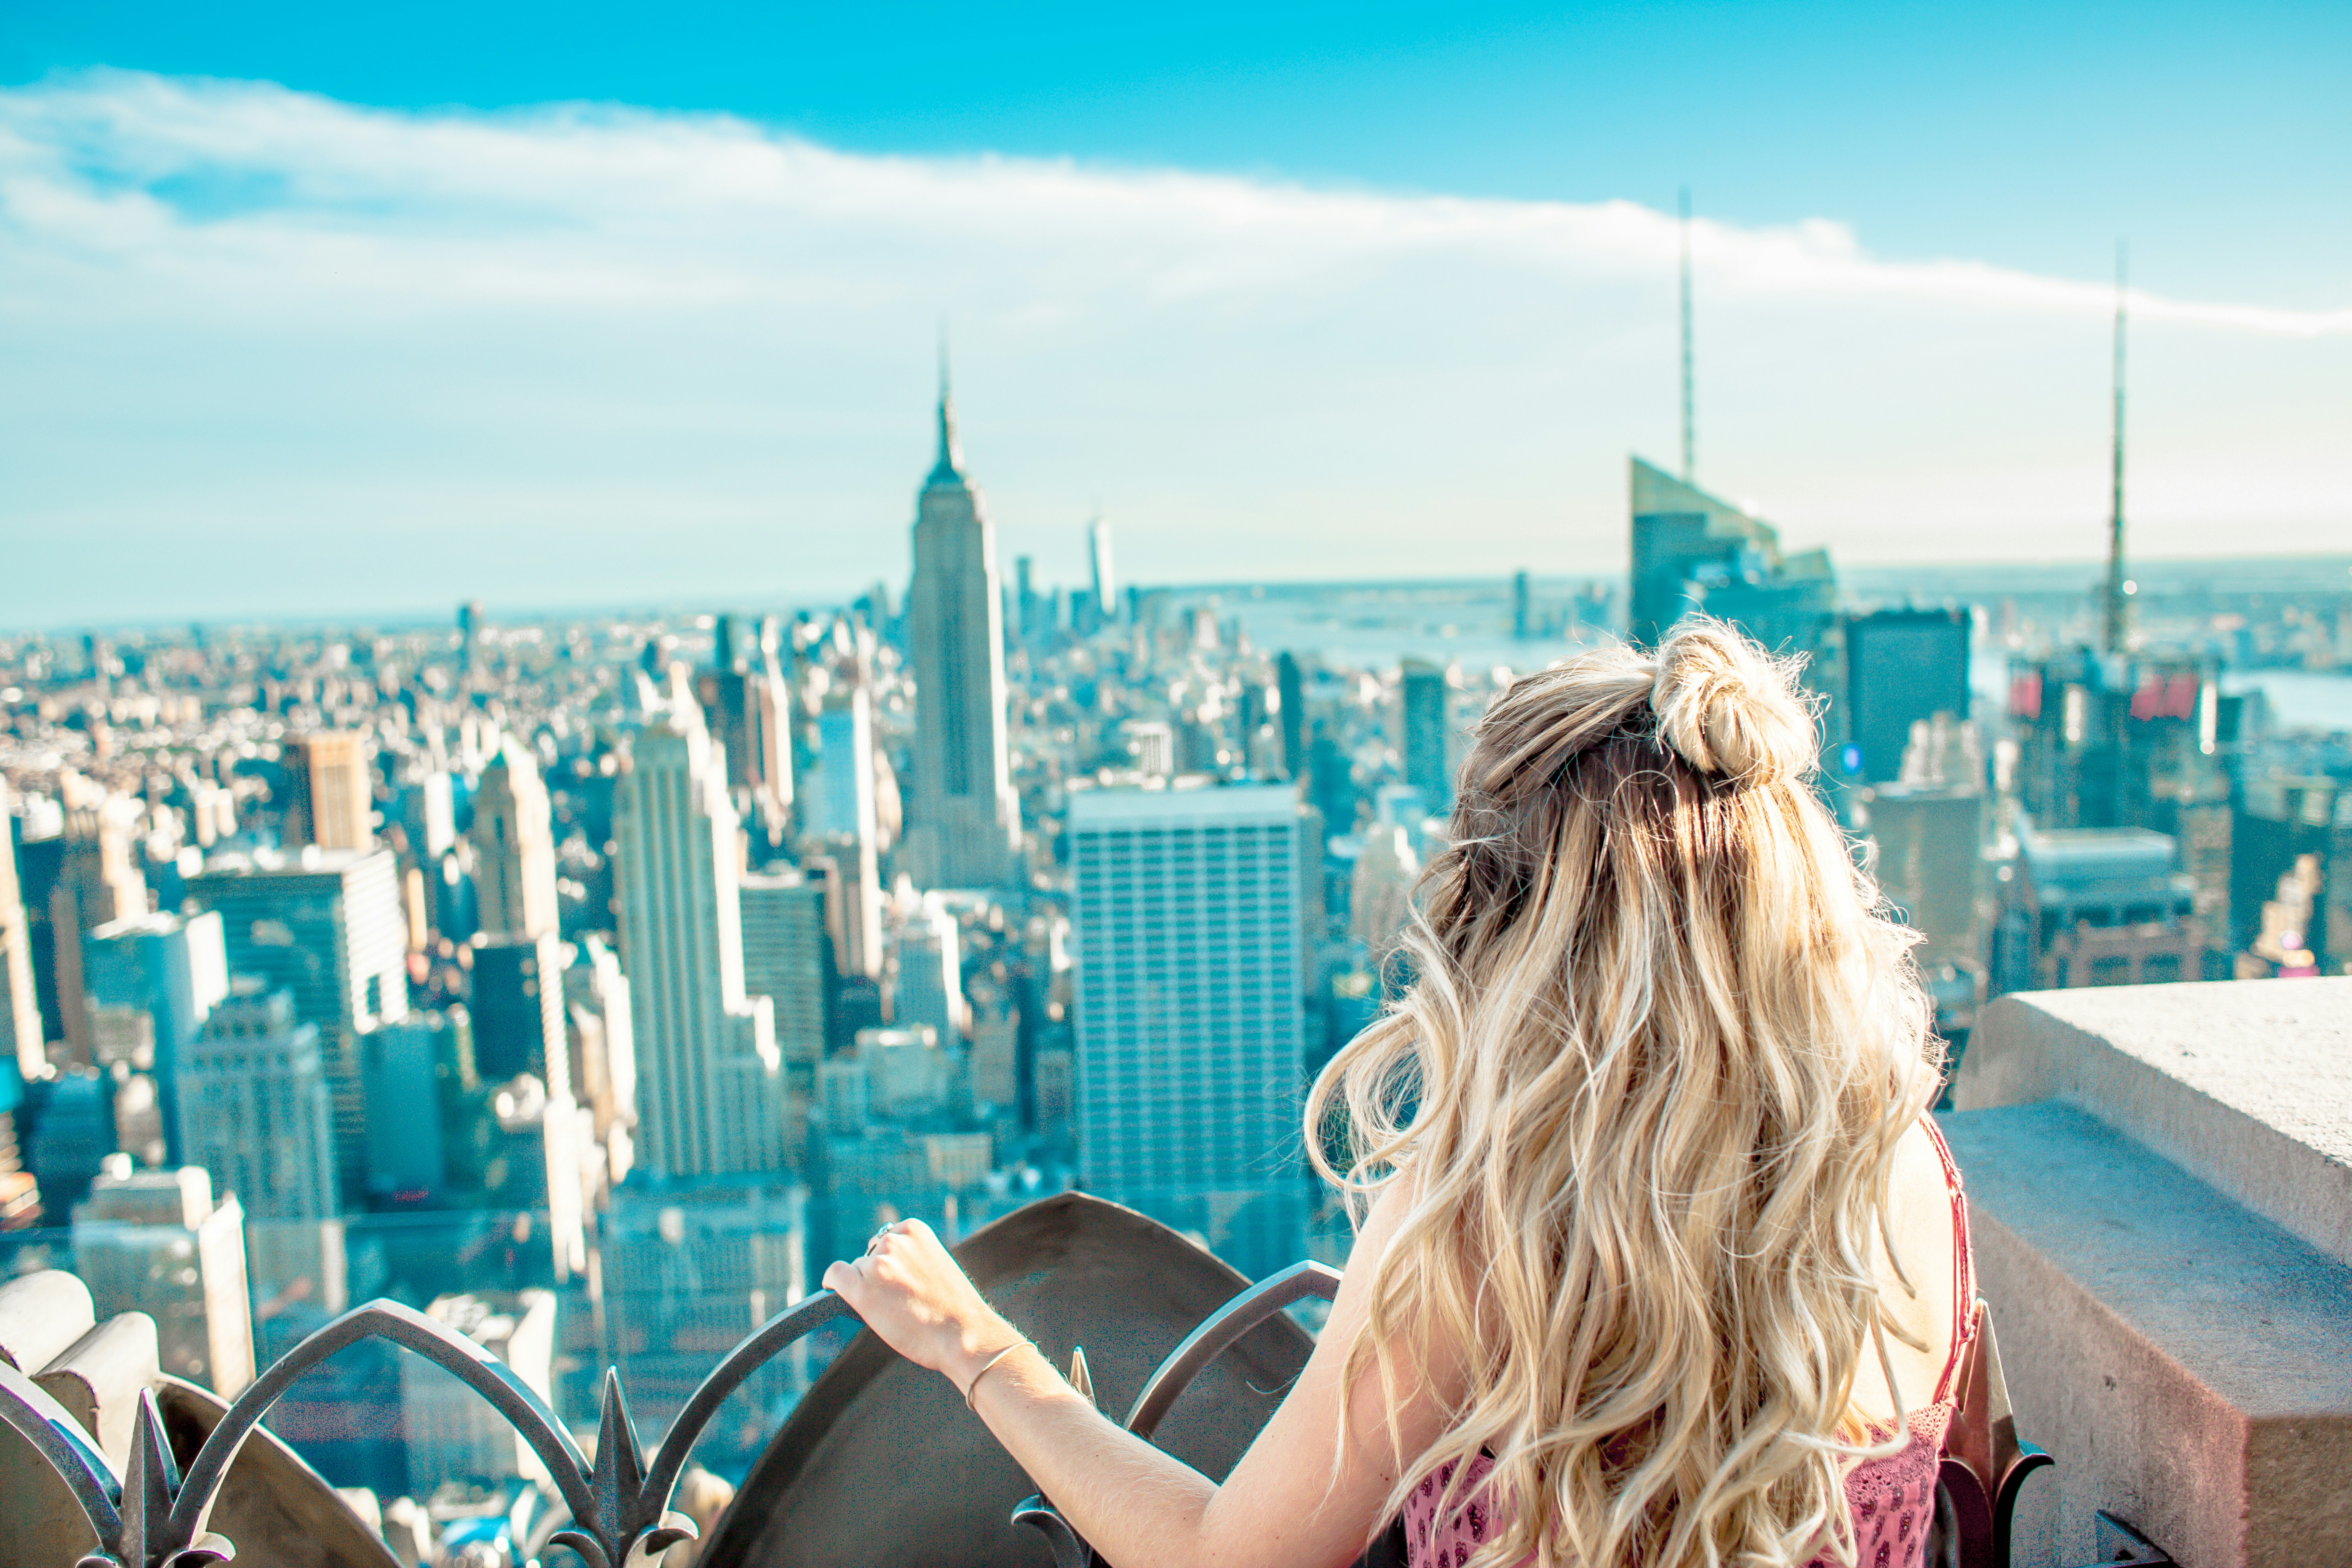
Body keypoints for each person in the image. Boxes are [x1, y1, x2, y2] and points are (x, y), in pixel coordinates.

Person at [826, 619, 1970, 1568]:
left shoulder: (1485, 1236)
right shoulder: (1917, 1176)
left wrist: (976, 1348)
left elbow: (1229, 1560)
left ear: (1510, 938)